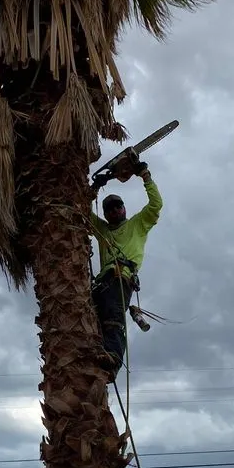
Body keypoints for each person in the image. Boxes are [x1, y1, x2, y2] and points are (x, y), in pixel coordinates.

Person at [90, 161, 163, 378]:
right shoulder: (101, 228)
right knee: (95, 318)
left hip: (121, 276)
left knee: (113, 315)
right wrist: (94, 188)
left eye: (117, 206)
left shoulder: (137, 224)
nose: (114, 211)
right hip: (102, 282)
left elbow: (155, 205)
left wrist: (145, 176)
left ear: (124, 208)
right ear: (104, 213)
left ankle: (113, 358)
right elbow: (80, 210)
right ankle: (99, 357)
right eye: (109, 209)